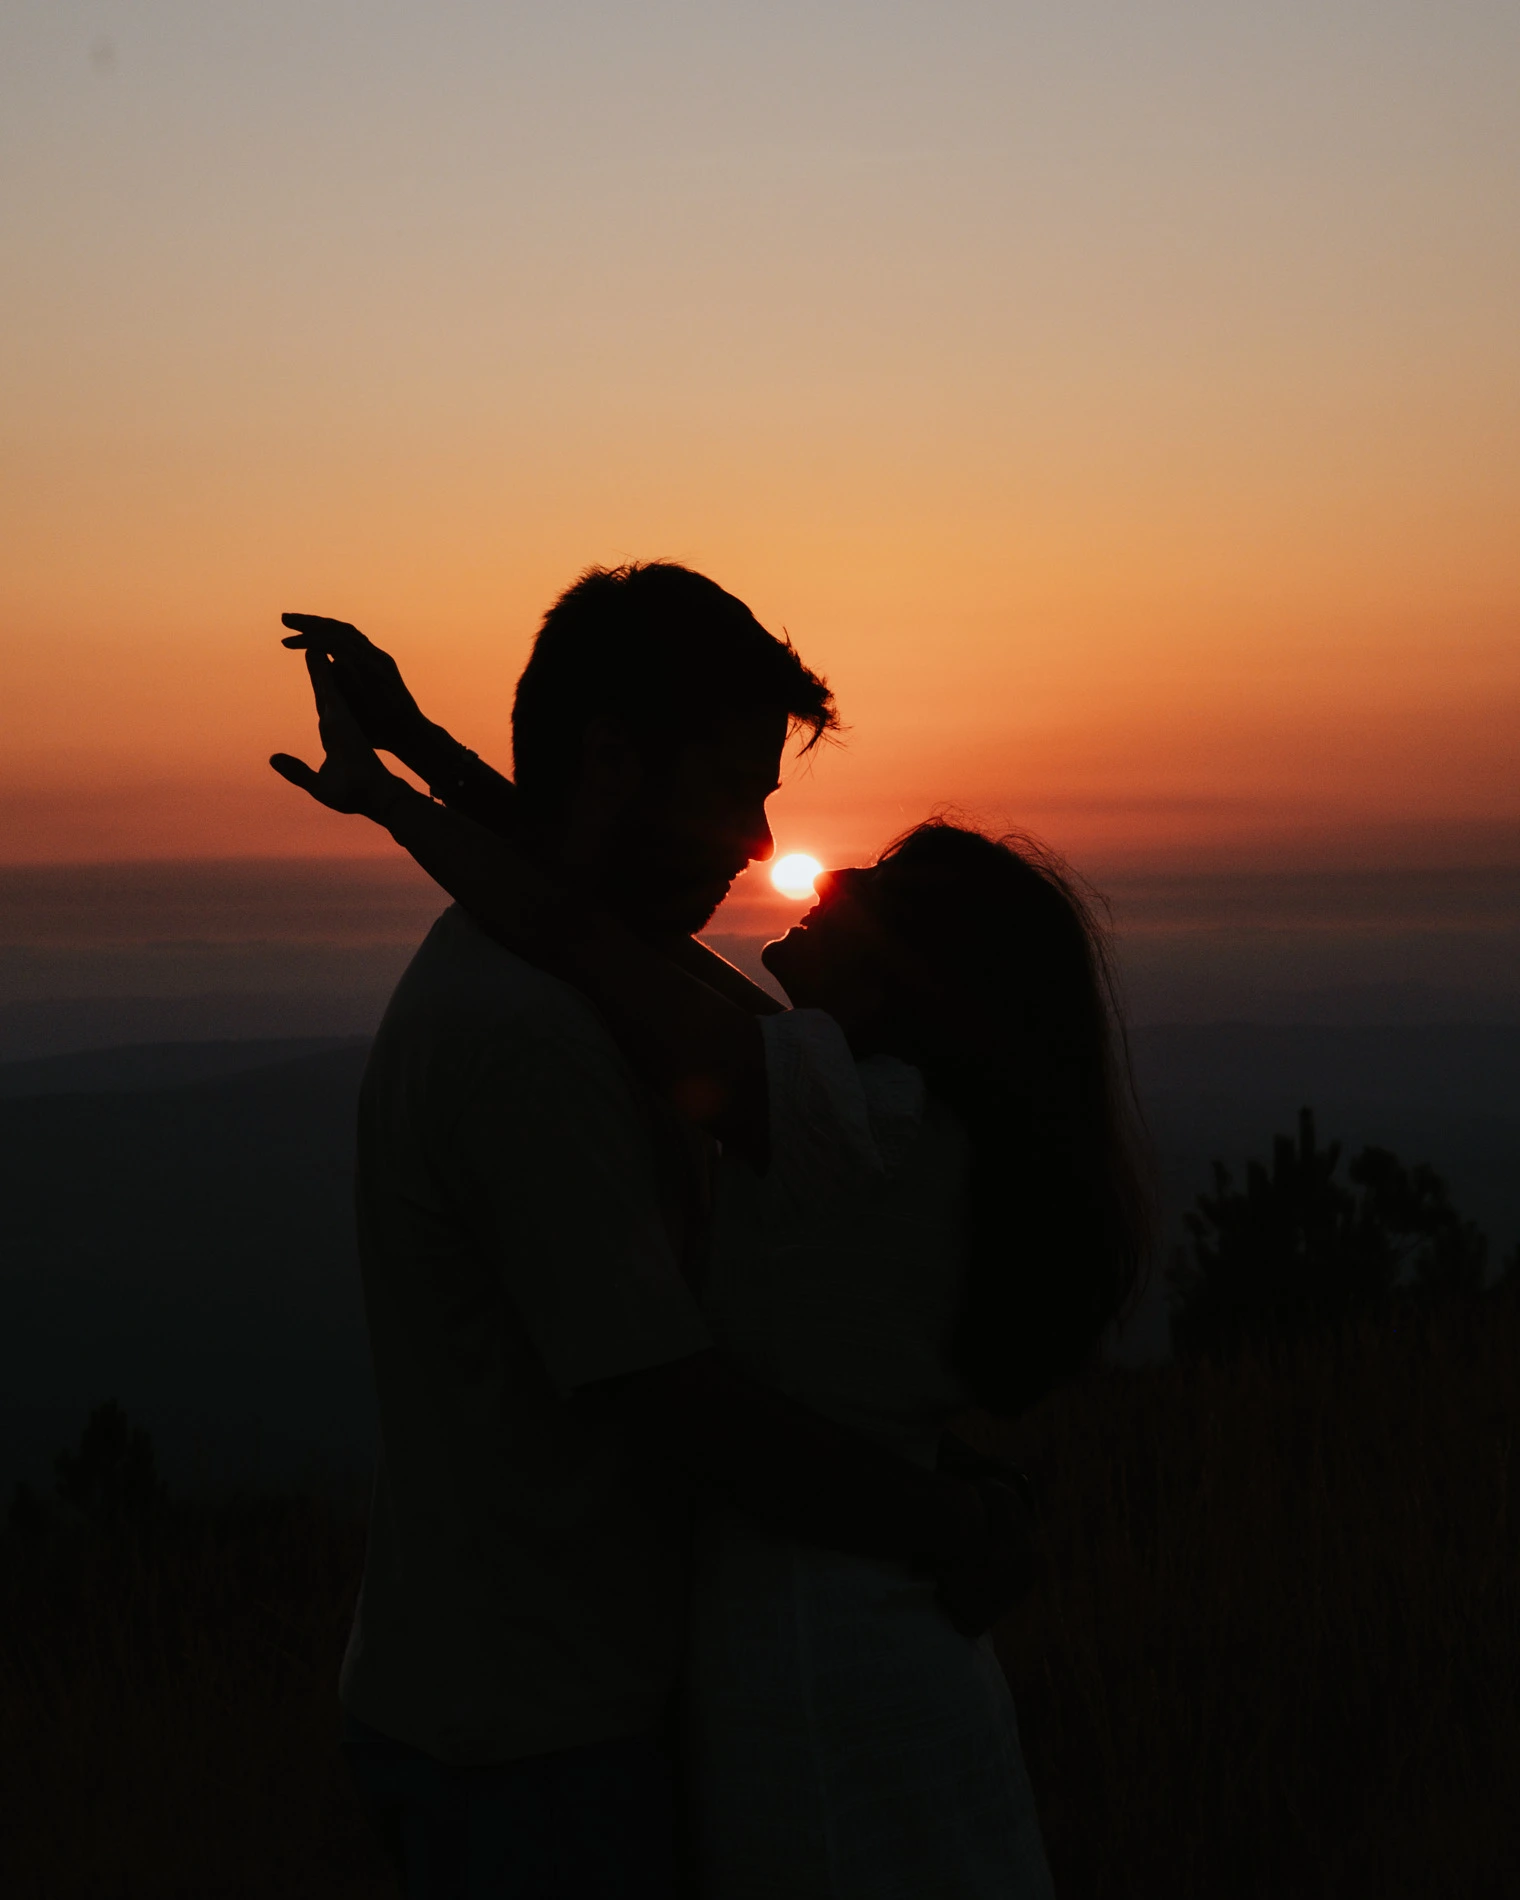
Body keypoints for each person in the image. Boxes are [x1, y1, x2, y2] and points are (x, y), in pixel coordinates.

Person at [273, 565, 1042, 1900]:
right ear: (617, 763)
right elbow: (674, 1405)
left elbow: (567, 893)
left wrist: (415, 754)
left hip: (543, 1719)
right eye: (737, 788)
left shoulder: (602, 977)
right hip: (528, 1752)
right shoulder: (530, 1036)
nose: (758, 839)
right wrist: (951, 1521)